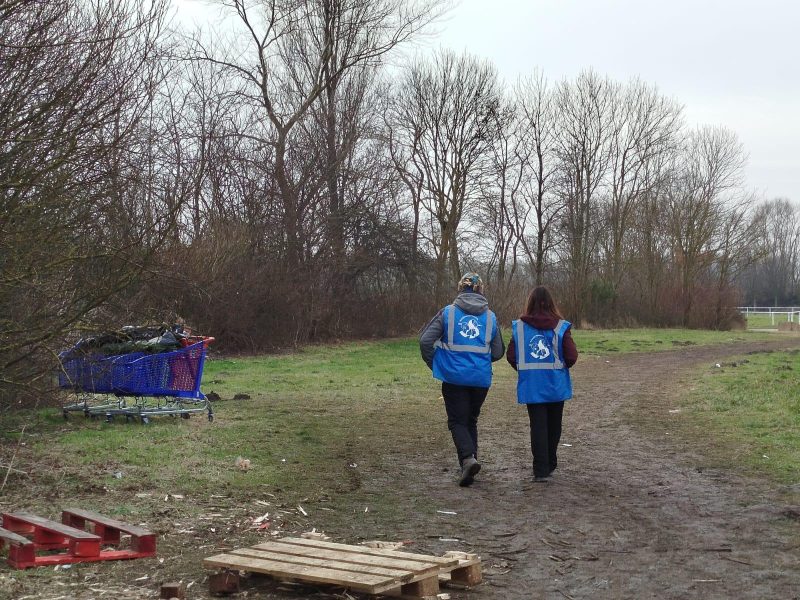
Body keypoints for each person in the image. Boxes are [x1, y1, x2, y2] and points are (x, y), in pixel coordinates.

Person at [419, 273, 505, 487]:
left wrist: (436, 364)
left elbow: (425, 341)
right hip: (480, 379)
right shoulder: (491, 317)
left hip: (453, 377)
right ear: (481, 290)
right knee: (470, 420)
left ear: (460, 289)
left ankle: (467, 459)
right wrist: (479, 359)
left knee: (457, 421)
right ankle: (470, 464)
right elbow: (498, 351)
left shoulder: (447, 313)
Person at [506, 286, 578, 482]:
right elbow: (571, 357)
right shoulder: (561, 327)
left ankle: (540, 469)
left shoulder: (519, 327)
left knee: (537, 426)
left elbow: (511, 356)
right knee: (554, 425)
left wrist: (527, 370)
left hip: (532, 385)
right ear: (552, 303)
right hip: (556, 383)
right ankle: (550, 462)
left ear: (529, 303)